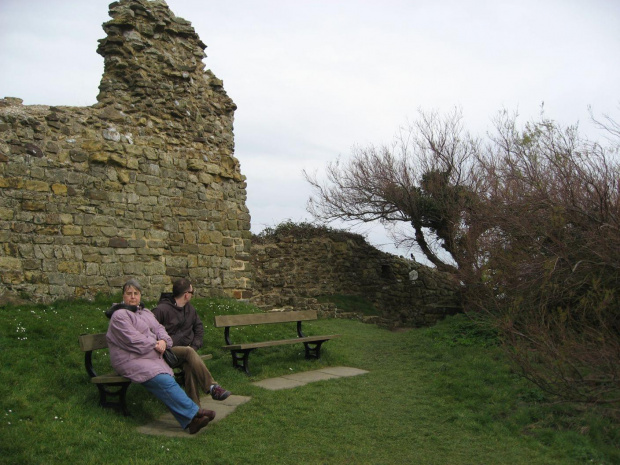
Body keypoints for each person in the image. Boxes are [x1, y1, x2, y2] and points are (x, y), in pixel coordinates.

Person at [105, 279, 215, 434]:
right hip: (128, 359)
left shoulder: (145, 312)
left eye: (136, 293)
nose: (132, 297)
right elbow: (133, 340)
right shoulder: (120, 315)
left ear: (140, 295)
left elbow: (160, 328)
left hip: (148, 357)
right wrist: (155, 344)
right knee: (163, 380)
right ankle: (195, 412)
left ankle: (192, 422)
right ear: (123, 296)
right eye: (129, 294)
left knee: (166, 380)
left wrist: (164, 340)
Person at [152, 278, 231, 406]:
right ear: (186, 294)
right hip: (168, 352)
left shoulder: (190, 309)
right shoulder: (161, 310)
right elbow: (150, 331)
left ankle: (195, 410)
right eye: (192, 291)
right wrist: (162, 343)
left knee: (189, 364)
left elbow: (199, 328)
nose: (192, 294)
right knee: (189, 352)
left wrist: (195, 345)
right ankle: (212, 387)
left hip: (187, 352)